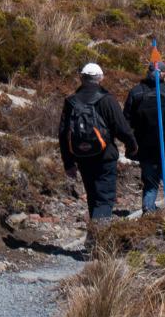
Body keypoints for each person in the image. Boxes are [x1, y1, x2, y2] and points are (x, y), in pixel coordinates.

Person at [59, 62, 138, 244]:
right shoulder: (106, 99)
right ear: (101, 78)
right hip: (105, 157)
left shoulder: (71, 101)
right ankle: (96, 241)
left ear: (81, 78)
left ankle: (94, 238)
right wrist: (132, 145)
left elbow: (63, 134)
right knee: (104, 199)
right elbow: (121, 127)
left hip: (82, 157)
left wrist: (68, 163)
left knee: (93, 198)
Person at [125, 59, 165, 213]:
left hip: (145, 144)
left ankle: (148, 209)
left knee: (150, 181)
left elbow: (126, 121)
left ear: (148, 72)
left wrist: (131, 143)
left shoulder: (136, 92)